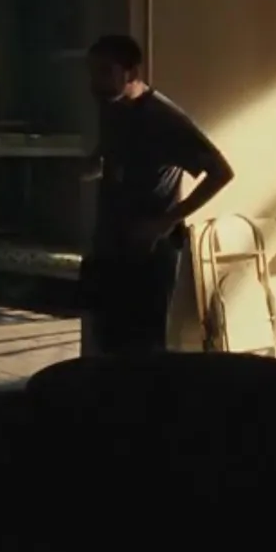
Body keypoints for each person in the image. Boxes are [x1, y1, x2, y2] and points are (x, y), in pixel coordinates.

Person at [79, 34, 234, 355]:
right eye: (92, 72)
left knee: (142, 350)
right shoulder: (112, 105)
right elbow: (111, 152)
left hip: (147, 254)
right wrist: (91, 164)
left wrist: (164, 222)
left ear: (132, 73)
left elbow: (221, 172)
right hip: (109, 245)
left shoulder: (163, 119)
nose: (95, 83)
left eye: (105, 72)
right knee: (104, 341)